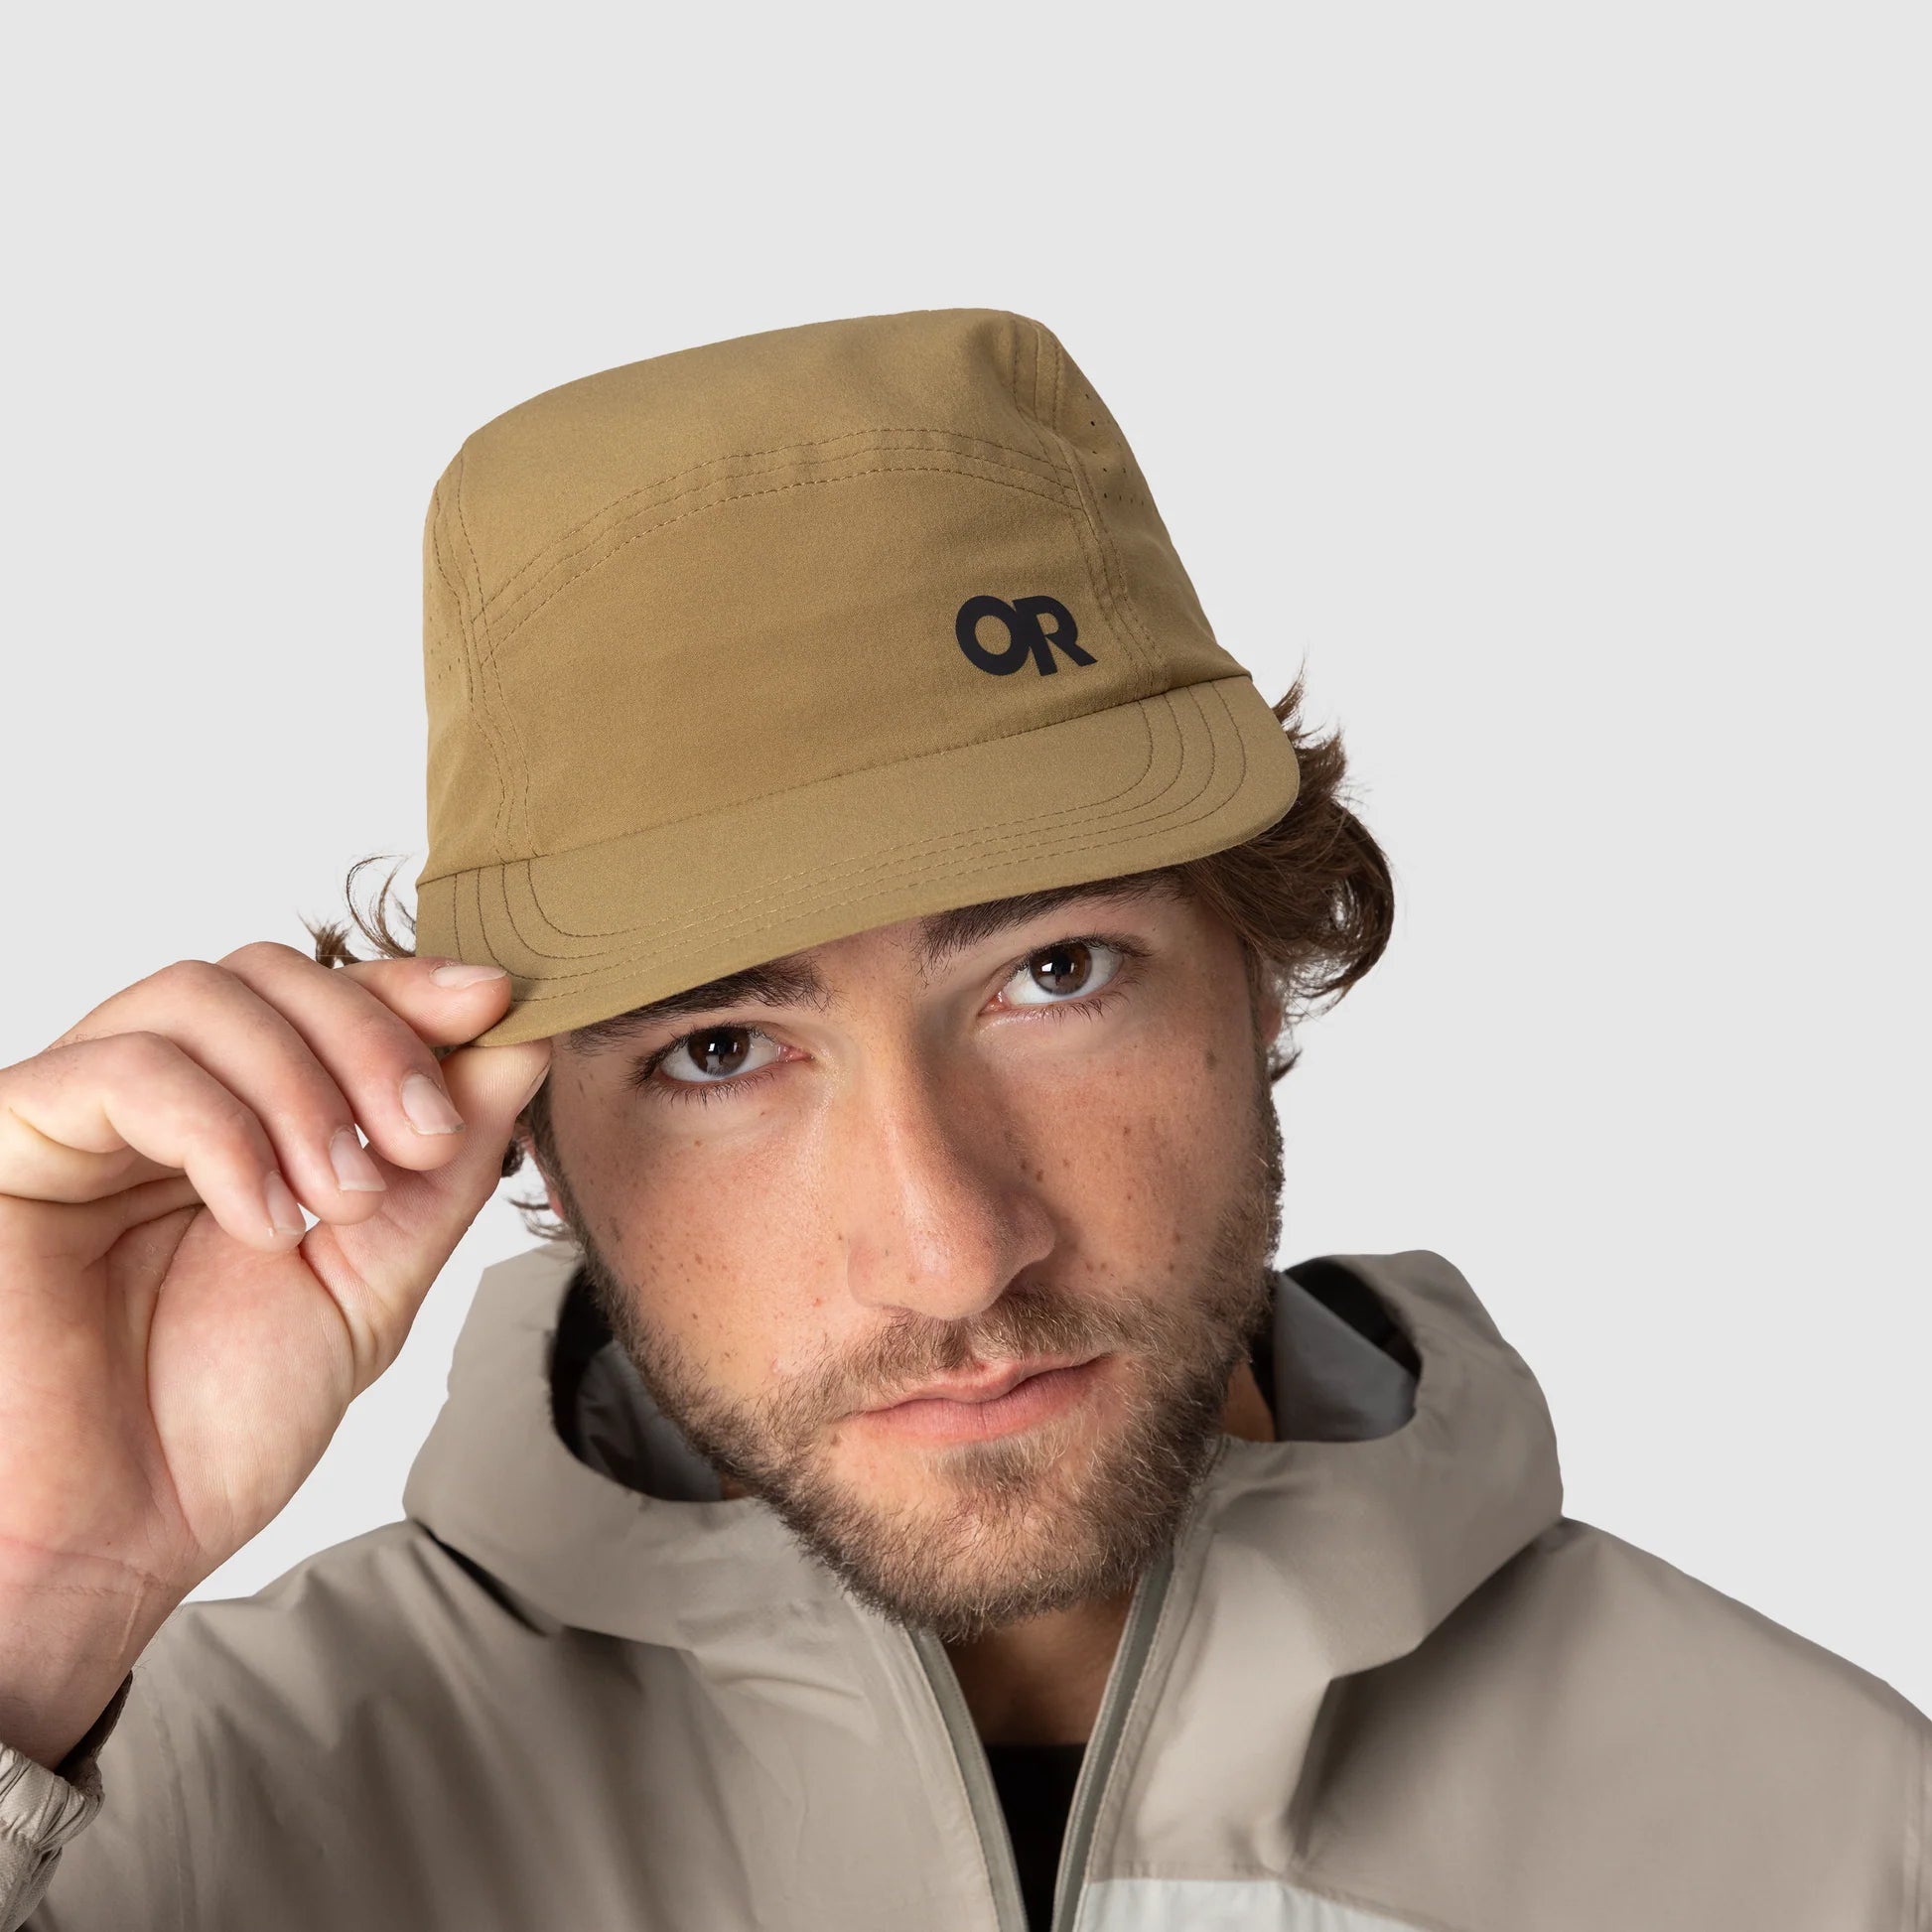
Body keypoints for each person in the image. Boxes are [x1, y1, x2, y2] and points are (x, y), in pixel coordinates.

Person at [0, 309, 1922, 1932]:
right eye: (719, 1049)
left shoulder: (1813, 1838)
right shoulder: (149, 1821)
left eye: (1055, 974)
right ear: (511, 1128)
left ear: (1261, 972)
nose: (948, 1246)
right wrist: (26, 1594)